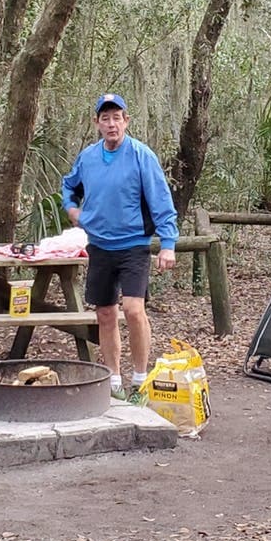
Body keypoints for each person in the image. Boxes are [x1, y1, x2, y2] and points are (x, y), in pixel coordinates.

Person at [60, 92, 178, 403]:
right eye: (105, 118)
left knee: (133, 310)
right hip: (99, 245)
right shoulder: (88, 158)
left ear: (126, 121)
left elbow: (162, 202)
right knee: (105, 313)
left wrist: (168, 244)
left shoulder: (142, 156)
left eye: (117, 117)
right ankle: (113, 380)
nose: (111, 124)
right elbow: (69, 185)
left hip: (134, 245)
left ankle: (141, 379)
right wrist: (71, 209)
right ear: (97, 123)